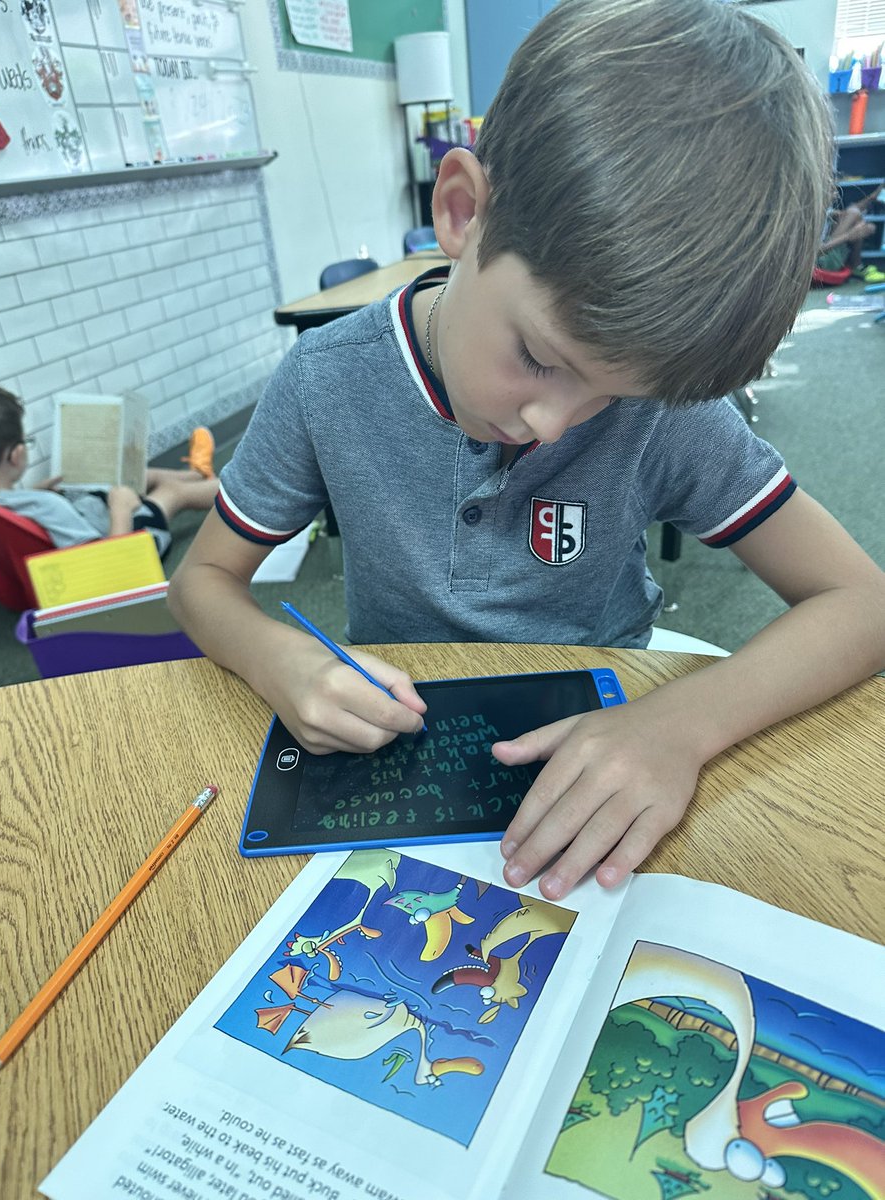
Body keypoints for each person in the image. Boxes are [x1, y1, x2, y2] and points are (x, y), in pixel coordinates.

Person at [169, 0, 885, 902]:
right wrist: (278, 659)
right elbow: (201, 583)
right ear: (463, 212)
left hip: (618, 729)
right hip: (399, 739)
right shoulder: (326, 380)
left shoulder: (661, 410)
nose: (557, 423)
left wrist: (684, 726)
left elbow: (863, 602)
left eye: (613, 393)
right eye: (540, 358)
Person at [0, 385, 218, 556]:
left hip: (90, 520)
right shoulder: (47, 506)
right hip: (130, 547)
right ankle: (237, 489)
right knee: (172, 492)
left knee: (133, 478)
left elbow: (14, 513)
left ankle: (198, 474)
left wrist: (36, 492)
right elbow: (107, 564)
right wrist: (121, 509)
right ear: (16, 455)